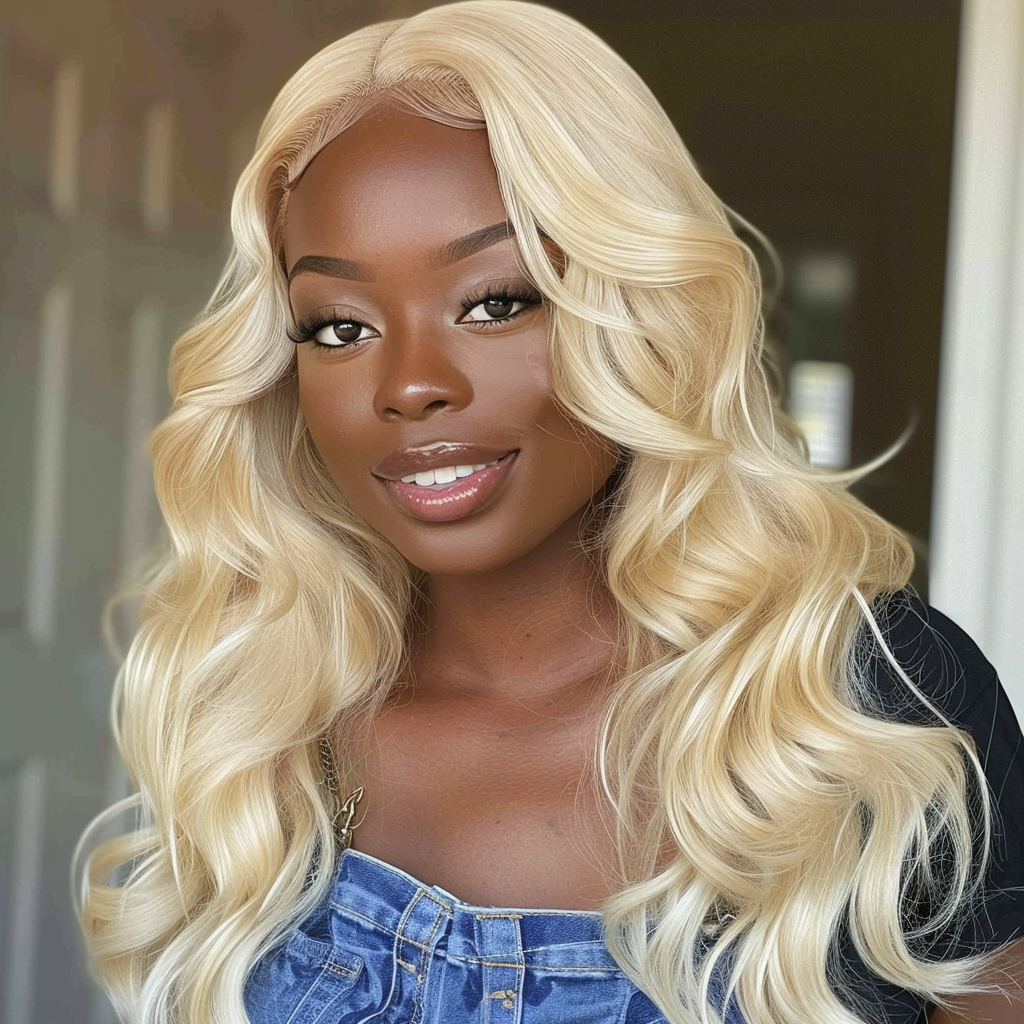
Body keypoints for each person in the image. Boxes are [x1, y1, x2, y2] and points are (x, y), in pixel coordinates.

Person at [75, 3, 1024, 1023]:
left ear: (637, 310)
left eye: (494, 301)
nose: (410, 385)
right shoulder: (260, 713)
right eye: (339, 325)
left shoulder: (865, 706)